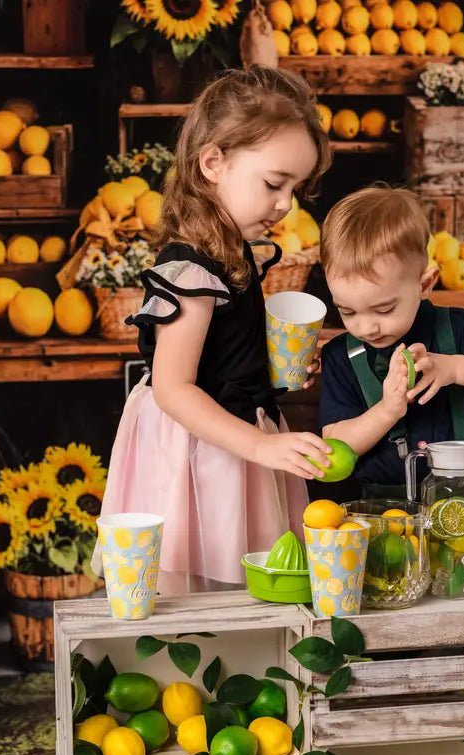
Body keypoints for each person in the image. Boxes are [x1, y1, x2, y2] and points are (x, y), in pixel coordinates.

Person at [99, 65, 334, 596]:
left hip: (236, 437)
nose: (285, 204)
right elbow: (175, 388)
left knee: (246, 583)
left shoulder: (232, 256)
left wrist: (279, 366)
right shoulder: (191, 271)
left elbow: (223, 357)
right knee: (204, 587)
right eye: (275, 183)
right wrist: (260, 446)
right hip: (200, 447)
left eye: (296, 188)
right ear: (213, 163)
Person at [318, 186, 464, 499]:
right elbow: (334, 445)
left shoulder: (461, 328)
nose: (367, 326)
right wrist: (386, 410)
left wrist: (453, 368)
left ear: (425, 283)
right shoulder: (341, 356)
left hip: (463, 506)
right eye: (347, 311)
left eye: (385, 309)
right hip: (382, 514)